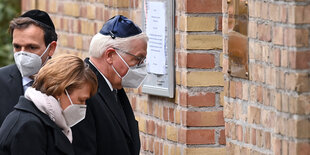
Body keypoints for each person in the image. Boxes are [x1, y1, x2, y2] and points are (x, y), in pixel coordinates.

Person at [72, 15, 148, 155]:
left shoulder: (114, 87)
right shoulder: (82, 91)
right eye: (137, 59)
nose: (141, 66)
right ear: (110, 55)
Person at [0, 54, 98, 154]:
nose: (83, 105)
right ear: (60, 91)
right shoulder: (29, 127)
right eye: (81, 100)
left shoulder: (47, 120)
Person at [0, 9, 58, 126]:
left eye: (31, 47)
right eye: (17, 47)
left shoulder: (66, 83)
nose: (22, 54)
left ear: (51, 48)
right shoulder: (1, 80)